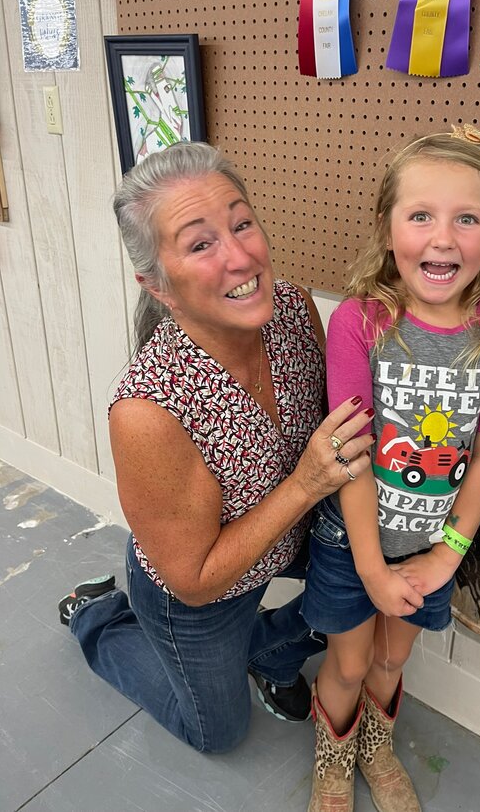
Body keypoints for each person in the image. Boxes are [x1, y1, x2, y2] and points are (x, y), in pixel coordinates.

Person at [57, 141, 374, 753]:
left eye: (242, 223)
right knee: (216, 733)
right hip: (200, 591)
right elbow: (196, 580)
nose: (240, 255)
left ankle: (263, 653)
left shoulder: (292, 307)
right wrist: (308, 482)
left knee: (384, 583)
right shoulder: (149, 411)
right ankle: (96, 616)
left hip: (291, 539)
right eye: (201, 243)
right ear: (158, 285)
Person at [301, 124, 480, 812]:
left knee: (391, 659)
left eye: (467, 218)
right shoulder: (358, 322)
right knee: (348, 661)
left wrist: (445, 557)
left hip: (433, 546)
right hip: (354, 544)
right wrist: (373, 569)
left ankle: (376, 743)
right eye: (421, 216)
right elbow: (350, 454)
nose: (444, 238)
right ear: (386, 229)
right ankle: (333, 753)